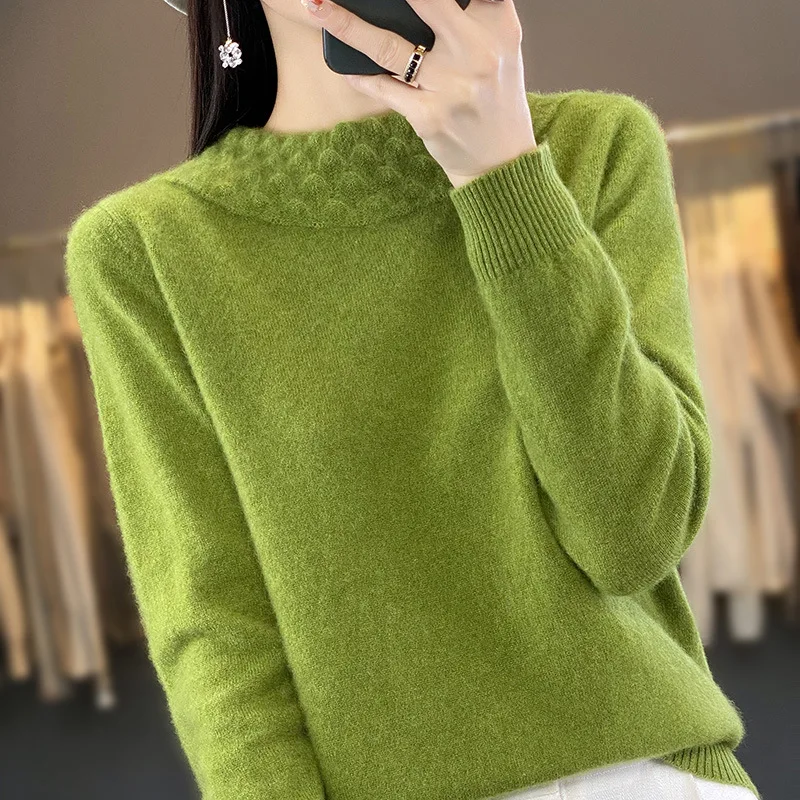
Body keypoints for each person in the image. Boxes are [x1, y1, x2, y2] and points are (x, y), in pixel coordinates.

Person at [64, 1, 763, 799]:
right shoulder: (143, 251)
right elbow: (215, 628)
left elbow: (633, 537)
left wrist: (504, 179)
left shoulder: (595, 148)